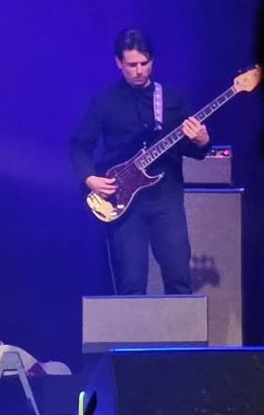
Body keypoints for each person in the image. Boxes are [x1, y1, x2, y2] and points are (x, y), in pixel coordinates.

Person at [69, 28, 210, 294]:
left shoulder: (172, 99)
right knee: (131, 284)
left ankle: (182, 335)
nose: (139, 71)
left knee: (179, 279)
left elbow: (190, 150)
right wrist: (89, 178)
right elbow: (79, 145)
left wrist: (202, 141)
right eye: (131, 65)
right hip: (124, 205)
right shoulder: (105, 101)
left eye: (145, 64)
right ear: (118, 63)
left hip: (166, 201)